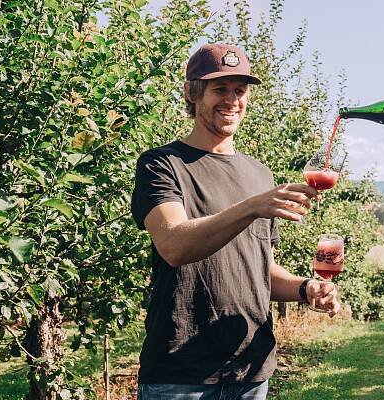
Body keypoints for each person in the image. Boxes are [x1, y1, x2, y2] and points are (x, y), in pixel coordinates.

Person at [130, 43, 340, 400]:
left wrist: (306, 289)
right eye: (220, 89)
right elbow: (174, 245)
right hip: (180, 374)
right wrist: (251, 207)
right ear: (192, 93)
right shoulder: (162, 165)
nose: (232, 100)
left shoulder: (259, 174)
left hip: (251, 370)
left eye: (240, 91)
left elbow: (260, 270)